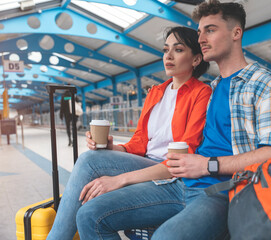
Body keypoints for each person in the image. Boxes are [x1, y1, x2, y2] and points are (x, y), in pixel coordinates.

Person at [47, 26, 211, 240]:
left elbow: (184, 155)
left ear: (196, 59)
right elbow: (140, 140)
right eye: (165, 49)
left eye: (178, 50)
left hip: (170, 172)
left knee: (89, 163)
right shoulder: (156, 92)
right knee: (93, 159)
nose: (168, 56)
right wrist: (112, 148)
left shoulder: (201, 93)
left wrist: (120, 179)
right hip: (146, 162)